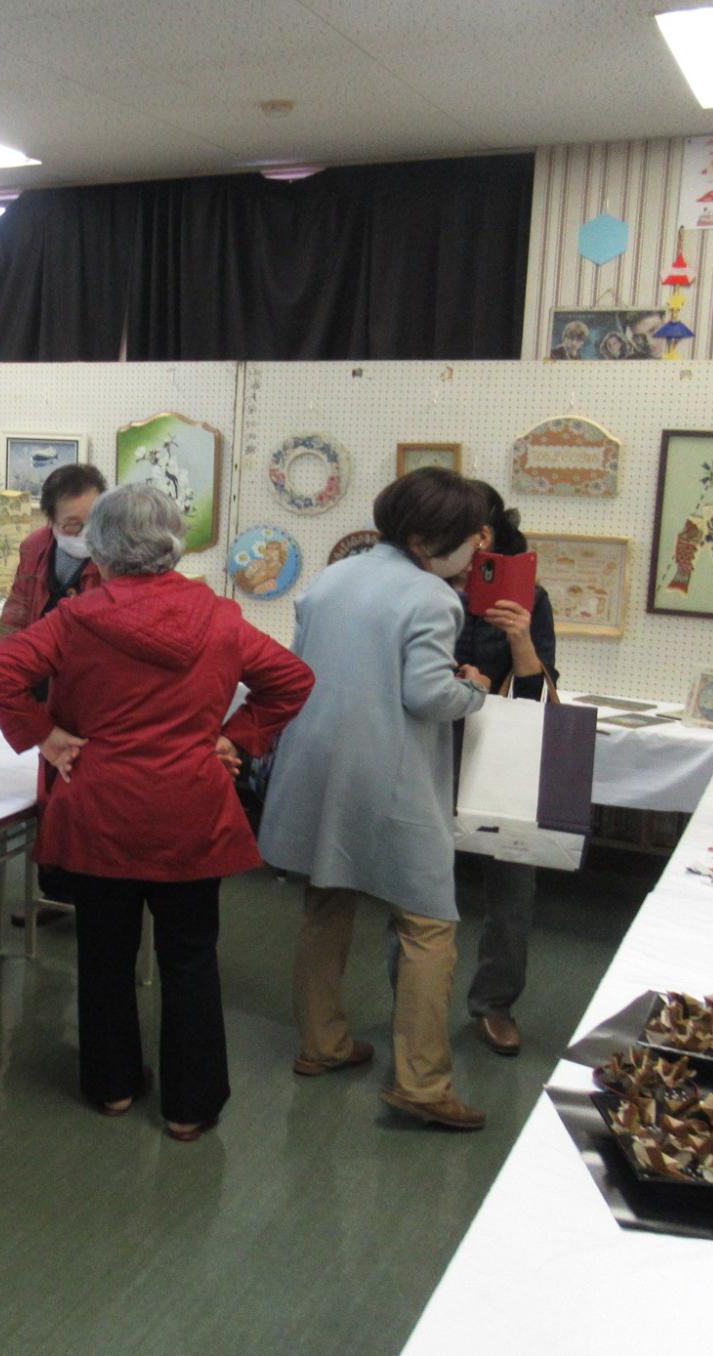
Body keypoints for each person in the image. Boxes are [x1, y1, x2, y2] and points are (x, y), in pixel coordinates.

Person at [0, 485, 315, 1141]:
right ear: (174, 544)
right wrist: (237, 738)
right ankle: (191, 1106)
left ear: (99, 547)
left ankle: (112, 1086)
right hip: (191, 809)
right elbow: (293, 680)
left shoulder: (74, 620)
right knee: (190, 958)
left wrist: (45, 736)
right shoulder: (220, 618)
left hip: (100, 809)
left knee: (105, 953)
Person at [260, 468, 493, 1132]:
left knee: (326, 902)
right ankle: (423, 1083)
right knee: (428, 923)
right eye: (466, 537)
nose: (474, 550)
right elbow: (428, 695)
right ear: (427, 539)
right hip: (388, 772)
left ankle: (322, 1043)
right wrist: (473, 689)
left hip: (317, 760)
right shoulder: (432, 597)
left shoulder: (334, 577)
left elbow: (301, 667)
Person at [0, 462, 107, 927]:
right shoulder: (35, 549)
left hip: (91, 684)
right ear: (50, 521)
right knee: (47, 789)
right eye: (72, 525)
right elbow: (17, 615)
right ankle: (54, 894)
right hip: (42, 673)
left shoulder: (116, 551)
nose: (85, 534)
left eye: (94, 521)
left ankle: (90, 898)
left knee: (78, 788)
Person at [451, 481, 558, 1058]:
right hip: (431, 742)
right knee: (419, 879)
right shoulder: (423, 587)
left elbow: (540, 691)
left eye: (477, 528)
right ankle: (412, 1001)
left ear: (491, 531)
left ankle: (495, 1003)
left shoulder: (528, 594)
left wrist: (519, 637)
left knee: (513, 884)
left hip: (502, 748)